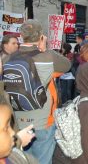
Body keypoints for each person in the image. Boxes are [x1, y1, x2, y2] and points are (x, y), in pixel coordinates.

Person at [3, 19, 71, 164]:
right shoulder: (47, 56)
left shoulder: (8, 58)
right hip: (43, 120)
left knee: (21, 159)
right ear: (41, 36)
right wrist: (45, 48)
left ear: (21, 36)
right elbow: (67, 65)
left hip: (17, 120)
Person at [0, 96, 38, 164]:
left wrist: (18, 141)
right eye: (6, 128)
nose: (13, 132)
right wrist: (18, 141)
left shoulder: (13, 156)